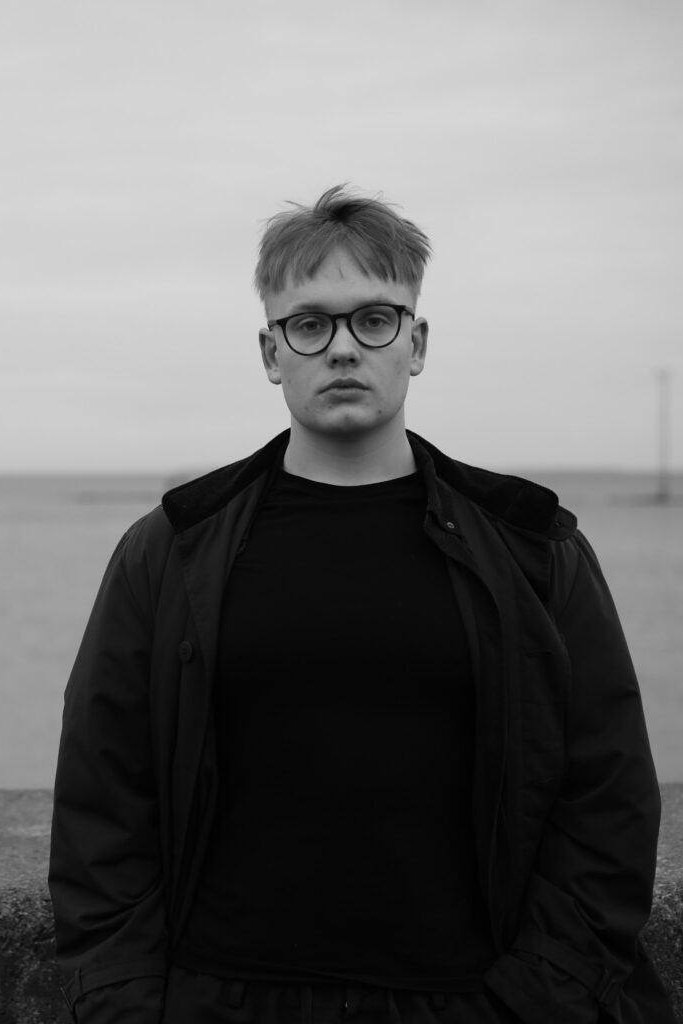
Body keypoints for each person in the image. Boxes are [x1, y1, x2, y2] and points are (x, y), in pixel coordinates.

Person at [49, 185, 675, 1024]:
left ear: (416, 343)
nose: (342, 348)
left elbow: (607, 794)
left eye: (373, 319)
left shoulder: (532, 549)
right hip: (219, 997)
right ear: (271, 352)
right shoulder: (170, 550)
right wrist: (126, 1005)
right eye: (309, 324)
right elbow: (102, 798)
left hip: (470, 999)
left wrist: (536, 998)